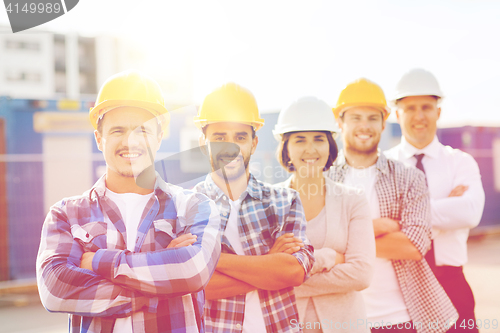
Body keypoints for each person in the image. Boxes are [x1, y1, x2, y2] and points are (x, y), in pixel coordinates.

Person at [36, 70, 222, 333]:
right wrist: (162, 278)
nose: (130, 141)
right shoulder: (66, 214)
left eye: (142, 130)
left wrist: (98, 261)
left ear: (159, 137)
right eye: (117, 130)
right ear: (99, 139)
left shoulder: (193, 207)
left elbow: (192, 269)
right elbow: (55, 289)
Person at [326, 78, 458, 333]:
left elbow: (414, 245)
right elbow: (314, 244)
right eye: (355, 117)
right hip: (341, 320)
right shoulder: (323, 180)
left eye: (373, 118)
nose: (364, 126)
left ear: (384, 122)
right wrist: (379, 227)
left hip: (401, 318)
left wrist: (342, 246)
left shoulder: (409, 178)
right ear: (339, 122)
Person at [192, 83, 315, 333]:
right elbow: (194, 285)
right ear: (203, 142)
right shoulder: (185, 208)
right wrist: (268, 264)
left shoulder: (285, 202)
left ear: (254, 143)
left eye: (240, 137)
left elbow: (293, 272)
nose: (231, 147)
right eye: (219, 137)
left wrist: (210, 260)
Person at [385, 68, 485, 332]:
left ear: (438, 112)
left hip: (451, 284)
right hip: (397, 290)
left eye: (426, 107)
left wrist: (403, 218)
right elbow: (371, 221)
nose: (419, 116)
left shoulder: (460, 162)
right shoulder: (382, 167)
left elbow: (470, 212)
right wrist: (444, 213)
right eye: (410, 108)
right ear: (397, 114)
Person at [273, 96, 375, 333]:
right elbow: (263, 277)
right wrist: (328, 257)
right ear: (286, 148)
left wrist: (290, 274)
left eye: (319, 139)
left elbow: (361, 274)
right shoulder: (267, 204)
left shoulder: (353, 200)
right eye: (300, 140)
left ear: (330, 145)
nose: (310, 149)